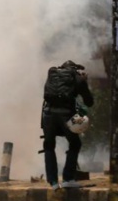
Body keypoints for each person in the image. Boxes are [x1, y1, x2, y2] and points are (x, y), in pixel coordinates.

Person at [40, 60, 94, 190]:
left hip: (48, 114)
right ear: (75, 70)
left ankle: (53, 182)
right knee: (75, 144)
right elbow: (89, 102)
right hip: (66, 114)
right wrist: (84, 82)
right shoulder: (78, 79)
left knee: (49, 145)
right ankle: (68, 179)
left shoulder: (52, 75)